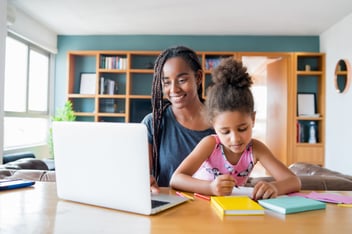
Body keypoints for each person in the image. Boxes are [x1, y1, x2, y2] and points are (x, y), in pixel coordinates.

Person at [170, 57, 301, 200]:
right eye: (225, 132)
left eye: (242, 129)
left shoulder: (256, 148)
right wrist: (210, 188)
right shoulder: (210, 144)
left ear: (253, 119)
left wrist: (275, 187)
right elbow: (176, 179)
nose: (235, 138)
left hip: (231, 210)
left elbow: (294, 181)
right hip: (201, 207)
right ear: (214, 125)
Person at [142, 46, 215, 191]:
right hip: (166, 209)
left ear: (199, 77)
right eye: (167, 82)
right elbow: (138, 172)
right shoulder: (153, 123)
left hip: (212, 209)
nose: (174, 89)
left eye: (182, 80)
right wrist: (144, 181)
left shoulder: (221, 122)